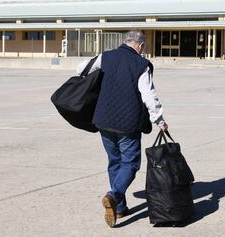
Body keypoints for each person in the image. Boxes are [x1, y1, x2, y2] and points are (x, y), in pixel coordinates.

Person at [76, 30, 168, 228]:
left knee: (115, 161)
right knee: (131, 163)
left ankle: (119, 207)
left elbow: (81, 69)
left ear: (125, 42)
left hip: (102, 119)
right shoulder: (141, 64)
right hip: (127, 123)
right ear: (140, 46)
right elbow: (148, 95)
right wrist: (159, 120)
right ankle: (114, 195)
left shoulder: (106, 56)